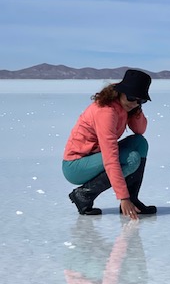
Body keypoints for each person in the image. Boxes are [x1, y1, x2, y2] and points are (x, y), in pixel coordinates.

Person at [62, 68, 156, 219]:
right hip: (76, 166)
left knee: (140, 143)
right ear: (120, 92)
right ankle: (84, 194)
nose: (134, 103)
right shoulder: (106, 112)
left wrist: (136, 109)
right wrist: (123, 198)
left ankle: (134, 200)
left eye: (141, 100)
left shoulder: (125, 106)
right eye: (131, 97)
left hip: (95, 158)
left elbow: (140, 130)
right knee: (131, 159)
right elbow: (110, 157)